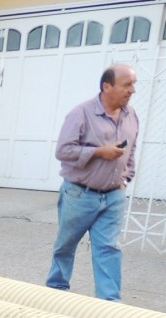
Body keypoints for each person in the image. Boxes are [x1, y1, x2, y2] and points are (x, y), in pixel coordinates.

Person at [46, 64, 138, 302]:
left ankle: (109, 304)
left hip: (114, 196)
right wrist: (98, 152)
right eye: (127, 84)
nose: (132, 90)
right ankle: (55, 291)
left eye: (133, 84)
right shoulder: (82, 113)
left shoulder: (132, 116)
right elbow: (63, 151)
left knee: (109, 249)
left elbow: (132, 150)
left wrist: (125, 178)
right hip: (80, 194)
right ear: (107, 86)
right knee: (66, 245)